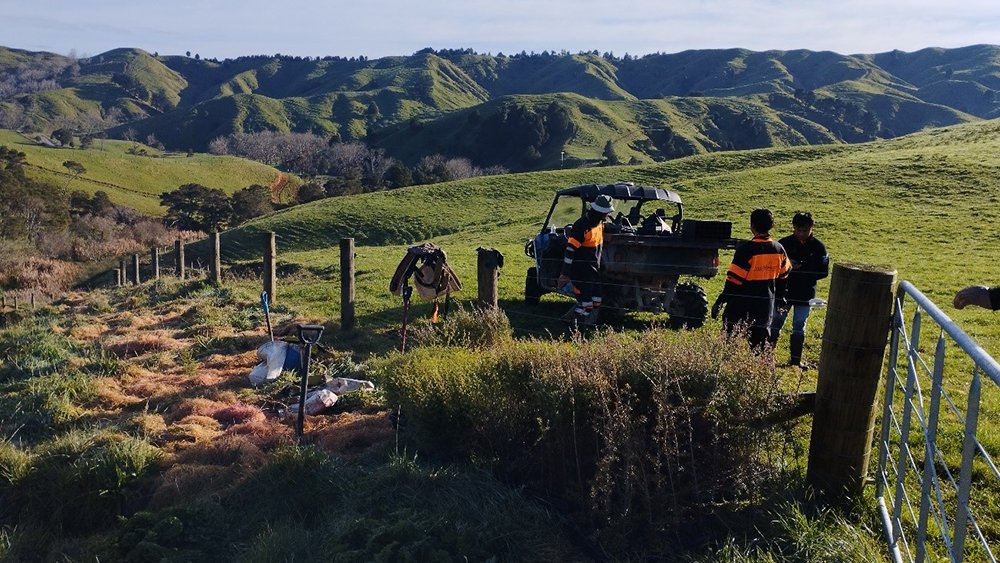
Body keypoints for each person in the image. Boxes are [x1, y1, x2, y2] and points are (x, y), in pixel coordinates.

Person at [711, 208, 791, 348]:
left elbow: (734, 281)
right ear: (772, 225)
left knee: (730, 343)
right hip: (765, 305)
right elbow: (783, 276)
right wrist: (779, 299)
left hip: (741, 305)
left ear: (752, 225)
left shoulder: (746, 250)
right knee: (758, 346)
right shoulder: (779, 249)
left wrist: (720, 301)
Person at [771, 212, 829, 368]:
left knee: (799, 324)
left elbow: (824, 272)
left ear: (812, 228)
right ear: (793, 228)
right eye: (798, 230)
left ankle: (796, 361)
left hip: (806, 293)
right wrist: (789, 268)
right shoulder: (784, 244)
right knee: (776, 322)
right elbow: (774, 267)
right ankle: (768, 358)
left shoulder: (818, 247)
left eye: (805, 230)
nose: (802, 234)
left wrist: (802, 268)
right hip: (784, 292)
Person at [557, 194, 614, 325]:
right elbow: (570, 251)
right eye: (607, 213)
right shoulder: (581, 226)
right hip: (581, 273)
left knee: (596, 301)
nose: (608, 215)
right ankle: (577, 333)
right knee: (586, 305)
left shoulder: (600, 224)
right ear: (600, 212)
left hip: (594, 272)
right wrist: (565, 274)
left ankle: (567, 320)